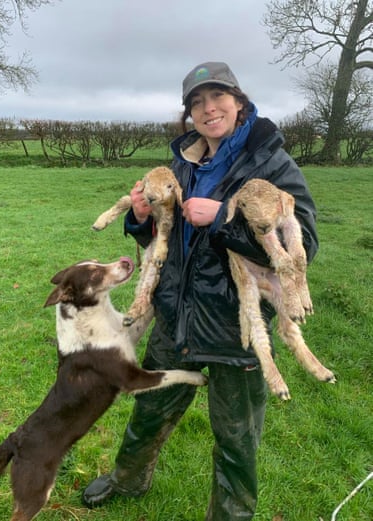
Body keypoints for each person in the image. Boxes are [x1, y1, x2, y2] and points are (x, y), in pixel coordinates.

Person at [82, 61, 319, 520]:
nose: (208, 108)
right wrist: (140, 217)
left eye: (218, 97)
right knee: (149, 410)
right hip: (177, 312)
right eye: (197, 102)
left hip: (235, 325)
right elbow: (163, 237)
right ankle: (128, 481)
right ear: (189, 113)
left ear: (239, 101)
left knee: (236, 438)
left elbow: (302, 243)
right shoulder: (184, 161)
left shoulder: (271, 163)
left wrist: (224, 221)